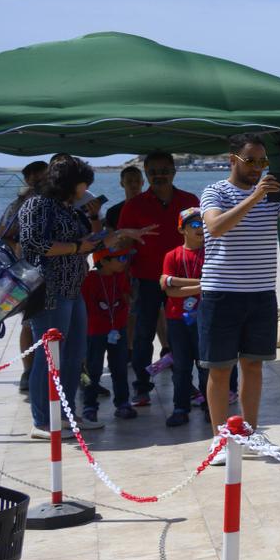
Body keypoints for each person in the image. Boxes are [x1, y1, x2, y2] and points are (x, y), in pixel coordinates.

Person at [198, 135, 280, 459]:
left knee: (253, 366)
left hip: (261, 293)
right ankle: (221, 439)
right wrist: (254, 197)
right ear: (233, 160)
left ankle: (248, 433)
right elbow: (216, 226)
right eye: (251, 160)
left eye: (262, 162)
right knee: (220, 369)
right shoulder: (215, 192)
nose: (257, 168)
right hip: (222, 293)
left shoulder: (271, 197)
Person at [15, 157, 150, 437]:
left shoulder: (67, 207)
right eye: (83, 182)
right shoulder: (38, 204)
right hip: (50, 290)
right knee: (49, 357)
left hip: (74, 289)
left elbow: (89, 243)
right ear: (68, 182)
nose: (86, 187)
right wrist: (77, 246)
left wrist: (122, 234)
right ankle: (42, 421)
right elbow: (34, 243)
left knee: (75, 356)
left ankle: (65, 415)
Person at [121, 151, 199, 410]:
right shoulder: (132, 206)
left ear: (174, 171)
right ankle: (142, 387)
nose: (159, 175)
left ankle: (186, 387)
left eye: (164, 170)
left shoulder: (190, 201)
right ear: (146, 174)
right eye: (153, 171)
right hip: (146, 279)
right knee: (143, 336)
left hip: (183, 281)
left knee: (186, 333)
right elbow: (122, 243)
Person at [0, 159, 48, 395]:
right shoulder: (17, 204)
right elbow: (2, 235)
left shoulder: (59, 201)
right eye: (34, 177)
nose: (39, 181)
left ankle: (74, 369)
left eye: (43, 176)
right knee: (29, 323)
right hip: (27, 272)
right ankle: (28, 371)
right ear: (27, 180)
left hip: (58, 272)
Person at [156, 208, 209, 427]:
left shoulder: (211, 252)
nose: (201, 229)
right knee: (181, 366)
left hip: (204, 317)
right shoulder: (173, 255)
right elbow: (168, 290)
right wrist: (201, 285)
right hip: (177, 318)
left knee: (205, 365)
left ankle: (209, 405)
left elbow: (173, 284)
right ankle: (180, 407)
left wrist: (175, 282)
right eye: (195, 225)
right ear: (182, 229)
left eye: (203, 225)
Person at [82, 247, 134, 421]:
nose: (124, 261)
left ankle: (123, 403)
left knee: (119, 368)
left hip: (118, 330)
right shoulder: (89, 280)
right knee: (93, 370)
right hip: (95, 331)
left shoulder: (121, 276)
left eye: (125, 257)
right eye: (119, 258)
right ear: (103, 261)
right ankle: (89, 405)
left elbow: (126, 296)